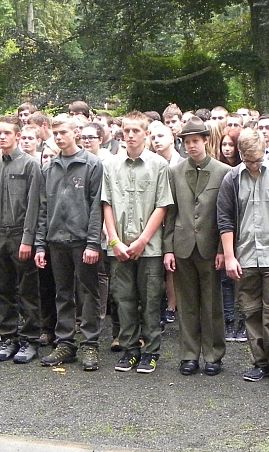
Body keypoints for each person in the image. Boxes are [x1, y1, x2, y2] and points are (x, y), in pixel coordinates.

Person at [218, 128, 269, 383]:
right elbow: (224, 219)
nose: (253, 165)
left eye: (257, 160)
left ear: (265, 151)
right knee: (251, 310)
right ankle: (260, 361)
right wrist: (230, 257)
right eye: (248, 161)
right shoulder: (232, 178)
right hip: (245, 255)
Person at [101, 112, 173, 374]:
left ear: (146, 134)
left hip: (149, 247)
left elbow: (162, 205)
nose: (130, 135)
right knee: (124, 299)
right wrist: (114, 241)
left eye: (136, 131)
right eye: (127, 131)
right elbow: (106, 204)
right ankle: (130, 349)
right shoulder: (111, 165)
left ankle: (151, 351)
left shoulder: (159, 165)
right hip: (119, 246)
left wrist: (143, 240)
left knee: (151, 300)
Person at [36, 115, 106, 370]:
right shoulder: (49, 168)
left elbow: (97, 207)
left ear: (75, 132)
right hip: (56, 240)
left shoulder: (92, 164)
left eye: (63, 132)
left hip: (82, 239)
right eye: (55, 133)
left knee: (88, 292)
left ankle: (90, 343)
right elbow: (43, 208)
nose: (58, 137)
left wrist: (93, 243)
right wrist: (40, 244)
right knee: (62, 293)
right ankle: (65, 342)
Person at [163, 116, 230, 376]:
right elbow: (171, 213)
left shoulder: (223, 172)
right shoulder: (175, 172)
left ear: (205, 141)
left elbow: (226, 215)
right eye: (187, 142)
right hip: (182, 245)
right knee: (187, 303)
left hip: (210, 245)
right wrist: (168, 248)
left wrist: (223, 250)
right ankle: (189, 354)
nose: (191, 146)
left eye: (195, 141)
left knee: (212, 303)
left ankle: (213, 354)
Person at [0, 114, 44, 364]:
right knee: (2, 288)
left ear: (17, 136)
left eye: (7, 133)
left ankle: (30, 338)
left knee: (27, 289)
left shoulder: (30, 165)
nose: (2, 137)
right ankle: (8, 336)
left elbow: (34, 205)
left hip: (20, 233)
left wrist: (28, 239)